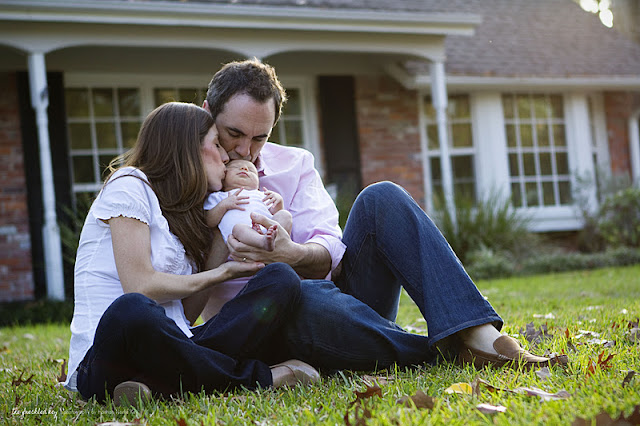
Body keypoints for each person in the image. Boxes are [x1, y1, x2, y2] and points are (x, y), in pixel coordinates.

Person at [201, 58, 569, 371]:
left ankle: (477, 334)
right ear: (208, 113)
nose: (245, 150)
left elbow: (330, 252)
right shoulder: (187, 179)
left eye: (260, 138)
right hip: (264, 322)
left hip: (342, 304)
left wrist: (290, 253)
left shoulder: (294, 164)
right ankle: (439, 352)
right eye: (234, 133)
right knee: (297, 293)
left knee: (382, 197)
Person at [64, 102, 319, 405]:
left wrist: (224, 230)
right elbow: (140, 286)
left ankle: (153, 387)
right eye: (216, 144)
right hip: (109, 355)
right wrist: (223, 273)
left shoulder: (187, 211)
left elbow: (184, 316)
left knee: (280, 279)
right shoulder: (129, 185)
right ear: (187, 149)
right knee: (132, 308)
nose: (227, 156)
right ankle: (261, 378)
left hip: (173, 346)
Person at [205, 159, 292, 251]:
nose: (244, 168)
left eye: (251, 170)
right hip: (239, 238)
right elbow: (209, 221)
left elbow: (275, 213)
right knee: (238, 228)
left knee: (285, 215)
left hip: (267, 231)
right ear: (223, 177)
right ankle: (263, 241)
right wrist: (223, 205)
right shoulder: (219, 196)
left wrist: (278, 202)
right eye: (235, 167)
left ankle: (275, 242)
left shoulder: (263, 195)